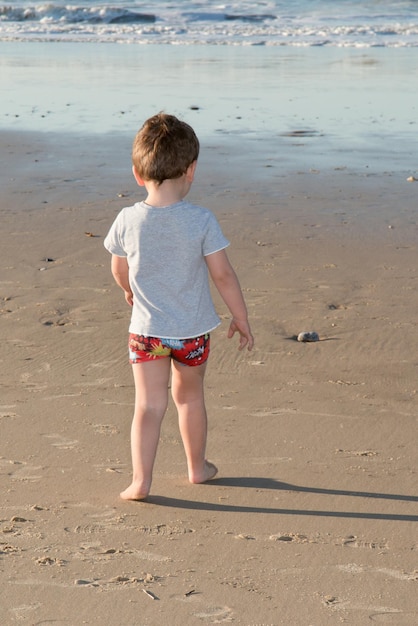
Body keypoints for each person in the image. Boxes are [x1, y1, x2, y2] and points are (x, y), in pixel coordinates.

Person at [104, 113, 254, 501]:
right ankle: (197, 468)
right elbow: (223, 275)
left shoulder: (127, 219)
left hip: (146, 332)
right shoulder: (201, 219)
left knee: (148, 406)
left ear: (138, 174)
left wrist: (127, 291)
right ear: (191, 170)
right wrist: (240, 317)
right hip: (192, 334)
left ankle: (140, 481)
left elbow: (119, 267)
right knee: (189, 398)